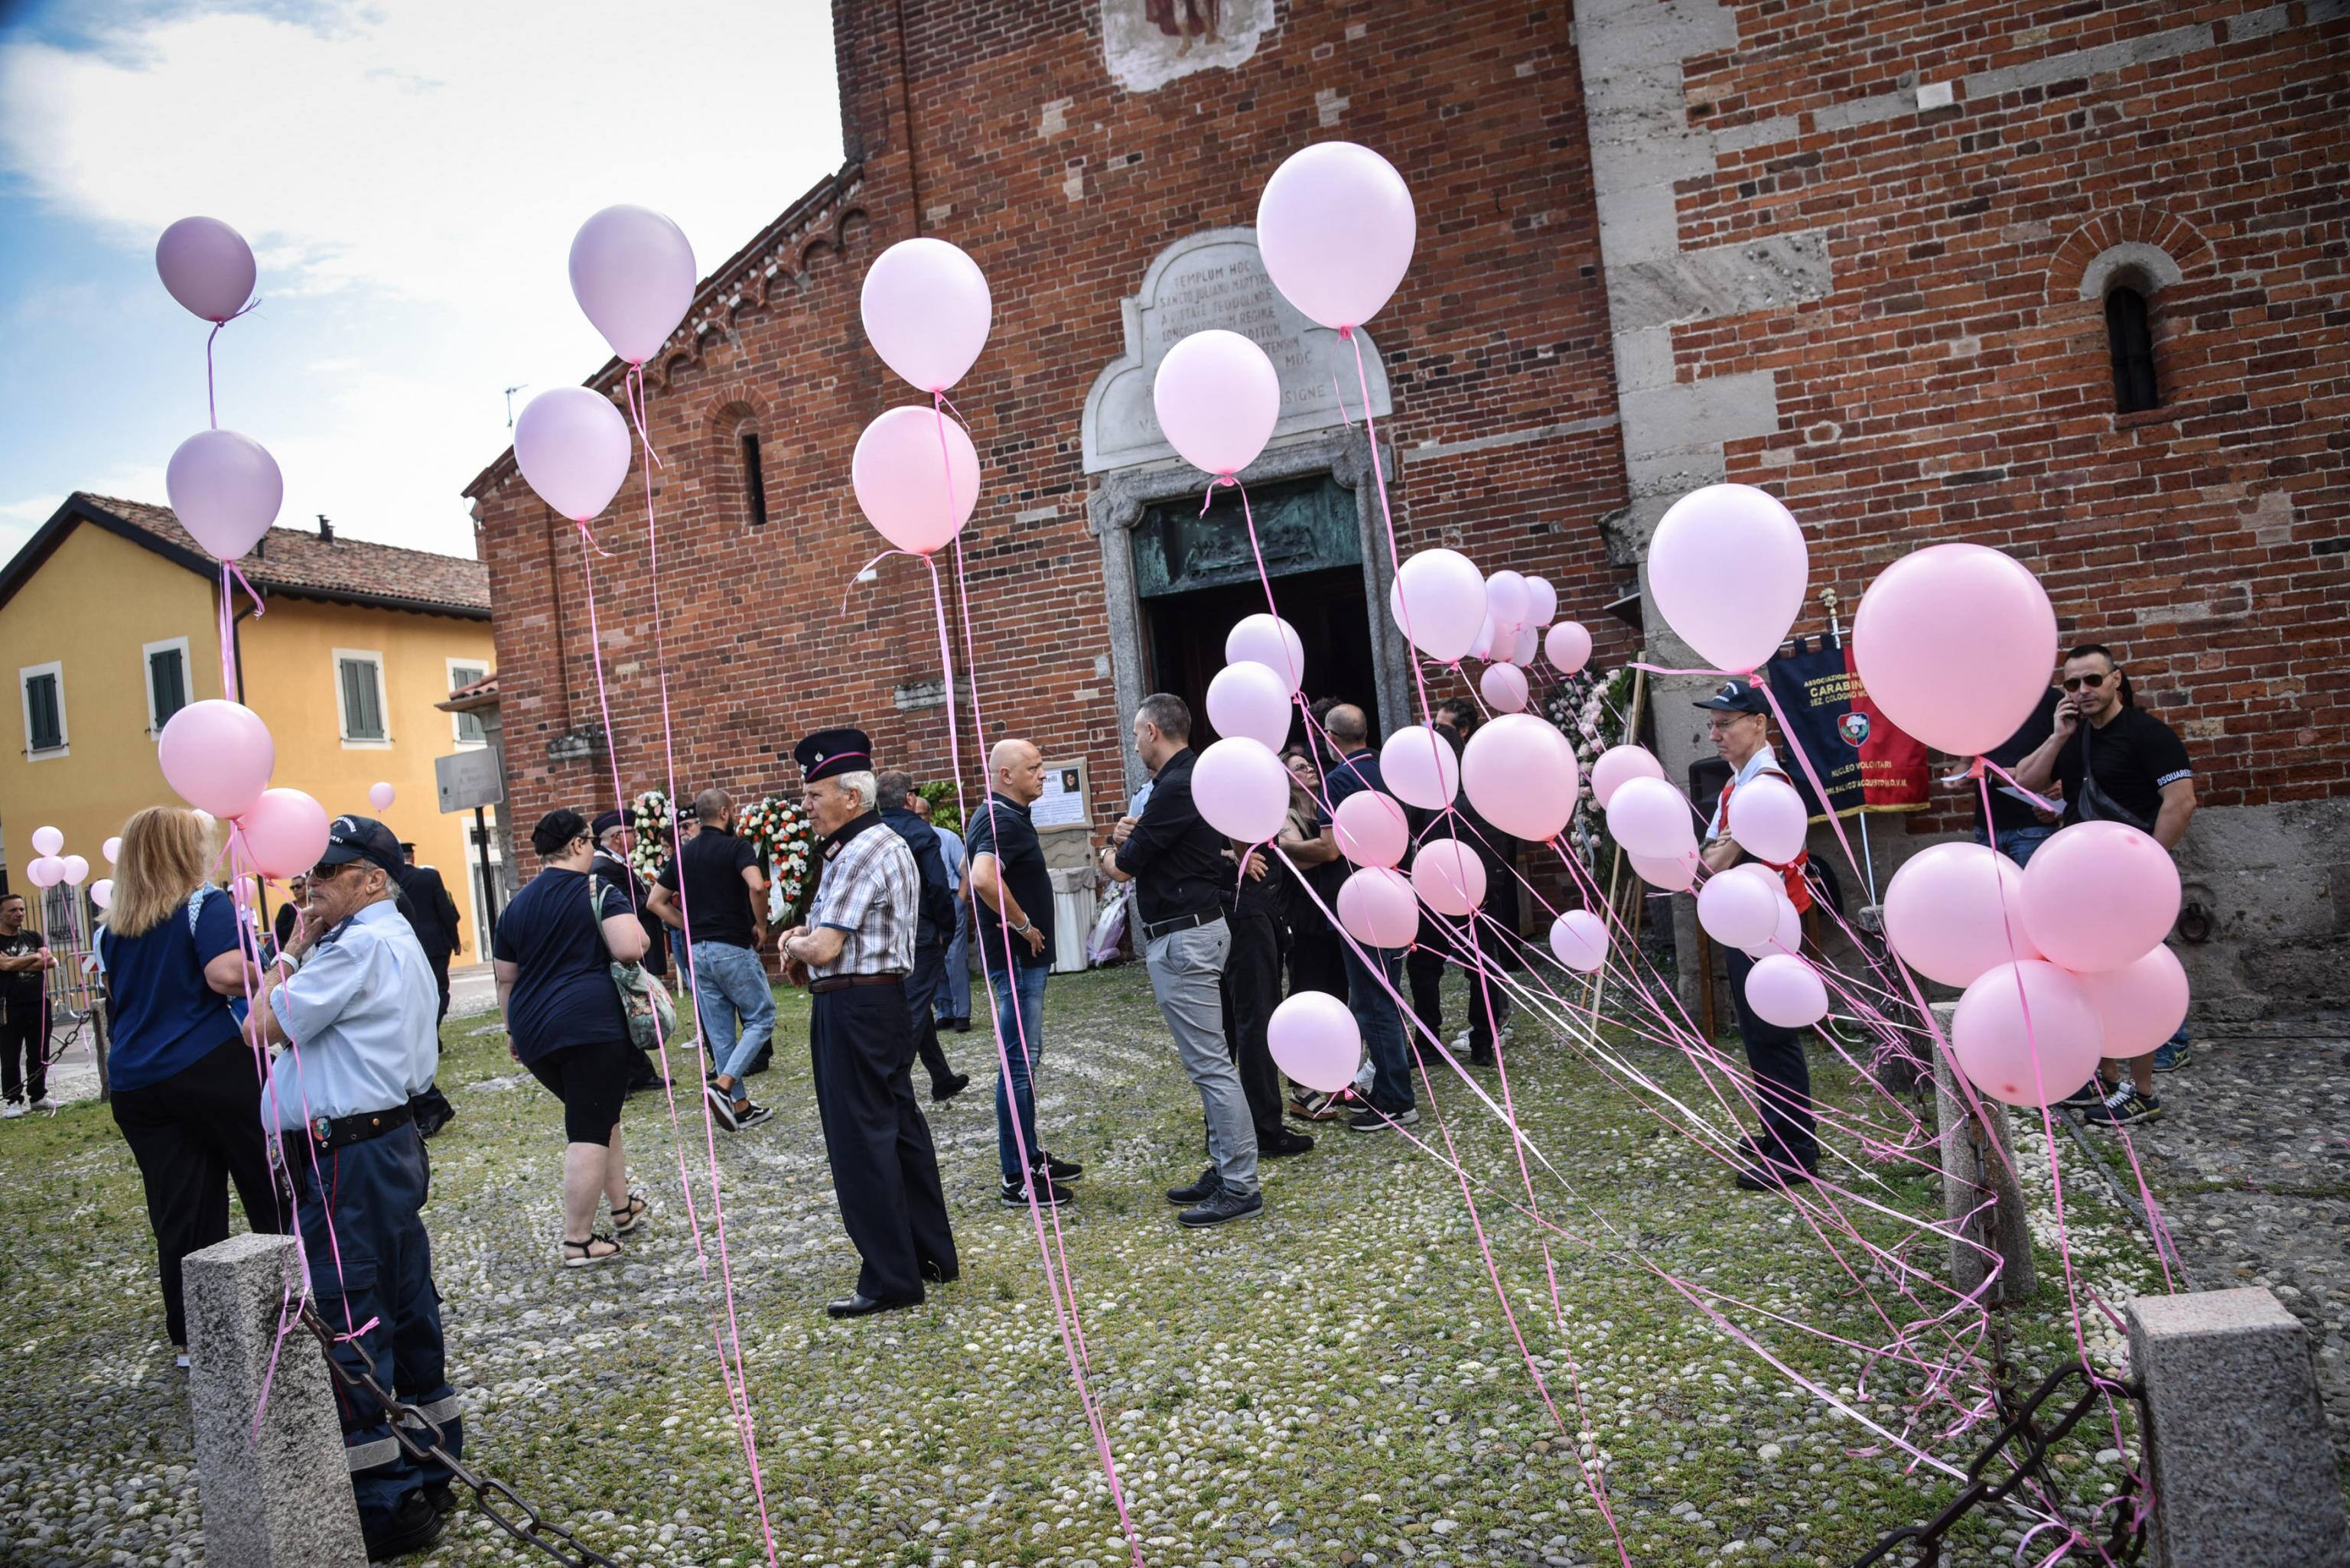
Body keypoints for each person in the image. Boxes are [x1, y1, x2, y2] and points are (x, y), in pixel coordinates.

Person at [252, 812, 459, 1560]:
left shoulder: (354, 944)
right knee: (405, 1300)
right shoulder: (387, 935)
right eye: (308, 874)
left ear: (371, 879)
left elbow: (261, 1025)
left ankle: (386, 1495)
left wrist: (290, 950)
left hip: (352, 1152)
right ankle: (433, 1457)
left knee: (353, 1311)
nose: (309, 886)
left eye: (327, 873)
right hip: (383, 1140)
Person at [777, 727, 958, 1318]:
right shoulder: (867, 845)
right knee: (899, 1127)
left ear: (851, 797)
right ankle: (929, 1256)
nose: (806, 807)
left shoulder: (859, 850)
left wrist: (793, 941)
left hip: (855, 1006)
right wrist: (805, 939)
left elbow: (826, 946)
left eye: (814, 795)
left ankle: (890, 1277)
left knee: (863, 1143)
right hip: (876, 1002)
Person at [94, 808, 285, 1361]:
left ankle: (194, 1337)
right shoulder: (206, 903)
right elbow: (224, 974)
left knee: (181, 1210)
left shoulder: (113, 927)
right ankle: (298, 1301)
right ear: (184, 852)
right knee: (269, 1182)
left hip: (138, 1081)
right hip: (209, 1063)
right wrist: (271, 962)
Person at [2013, 643, 2200, 1124]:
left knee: (2132, 977)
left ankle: (2143, 1093)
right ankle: (2110, 1081)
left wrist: (2149, 868)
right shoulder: (2076, 737)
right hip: (2079, 883)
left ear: (2117, 679)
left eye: (2092, 680)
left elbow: (2180, 802)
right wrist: (2058, 737)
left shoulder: (2148, 735)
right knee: (2091, 976)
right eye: (2072, 684)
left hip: (2129, 883)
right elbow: (2026, 781)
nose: (2082, 691)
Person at [1100, 694, 1263, 1227]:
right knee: (1211, 1061)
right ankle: (1223, 1168)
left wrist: (1108, 846)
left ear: (1151, 731)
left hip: (1185, 936)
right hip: (1197, 929)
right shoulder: (1197, 776)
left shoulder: (1174, 785)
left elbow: (1123, 868)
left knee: (1210, 1065)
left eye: (1134, 734)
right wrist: (1132, 835)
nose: (1135, 744)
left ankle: (1239, 1185)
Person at [493, 809, 653, 1267]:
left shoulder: (516, 904)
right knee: (587, 1128)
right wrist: (638, 931)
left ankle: (622, 1208)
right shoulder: (598, 888)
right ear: (581, 844)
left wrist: (512, 1030)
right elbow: (628, 947)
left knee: (600, 1115)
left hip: (534, 1029)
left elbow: (505, 979)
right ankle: (577, 1240)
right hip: (589, 1027)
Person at [1697, 680, 1820, 1192]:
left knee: (1771, 1035)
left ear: (1758, 724)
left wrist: (1720, 851)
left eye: (1725, 724)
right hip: (1744, 917)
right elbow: (1706, 857)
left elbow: (1713, 861)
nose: (1715, 734)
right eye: (1713, 725)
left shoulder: (1764, 783)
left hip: (1765, 923)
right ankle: (1777, 1128)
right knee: (1756, 1035)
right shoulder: (1737, 784)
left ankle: (1796, 1150)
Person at [967, 737, 1083, 1207]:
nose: (1043, 775)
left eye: (1042, 767)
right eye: (1034, 768)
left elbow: (969, 873)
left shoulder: (1006, 816)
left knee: (1024, 1063)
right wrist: (1023, 924)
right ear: (1006, 775)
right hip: (1016, 959)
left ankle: (1029, 1155)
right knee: (1018, 1066)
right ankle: (1016, 1177)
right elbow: (980, 876)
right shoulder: (1000, 818)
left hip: (1021, 958)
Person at [648, 789, 773, 1131]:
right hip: (731, 946)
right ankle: (723, 1086)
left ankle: (742, 1107)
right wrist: (761, 926)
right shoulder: (737, 847)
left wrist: (686, 925)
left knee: (720, 1034)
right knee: (762, 1017)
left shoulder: (684, 854)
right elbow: (757, 886)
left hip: (697, 952)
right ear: (724, 812)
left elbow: (655, 902)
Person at [1320, 702, 1418, 1132]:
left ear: (1330, 738)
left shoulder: (1339, 780)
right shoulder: (1391, 771)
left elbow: (1331, 847)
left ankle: (1397, 1100)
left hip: (1362, 901)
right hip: (1397, 895)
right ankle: (1386, 1089)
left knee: (1372, 1003)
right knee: (1385, 997)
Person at [1219, 789, 1322, 1160]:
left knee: (1234, 1024)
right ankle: (1263, 1129)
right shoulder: (1237, 789)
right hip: (1248, 914)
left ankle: (1226, 1128)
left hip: (1242, 911)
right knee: (1254, 1022)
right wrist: (1232, 852)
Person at [877, 769, 971, 1103]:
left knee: (916, 1003)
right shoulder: (921, 832)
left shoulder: (874, 832)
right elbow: (935, 885)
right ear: (909, 799)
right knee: (915, 1008)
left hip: (886, 930)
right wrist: (947, 927)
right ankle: (889, 1084)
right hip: (920, 930)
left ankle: (941, 1078)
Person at [594, 810, 671, 1096]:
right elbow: (619, 905)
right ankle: (625, 1077)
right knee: (624, 1009)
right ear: (616, 838)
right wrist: (651, 897)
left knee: (634, 1007)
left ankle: (640, 1072)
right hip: (622, 945)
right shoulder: (603, 867)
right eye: (630, 833)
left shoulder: (615, 862)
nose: (635, 837)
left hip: (634, 939)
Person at [394, 847, 464, 1138]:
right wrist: (454, 941)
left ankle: (429, 1035)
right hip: (433, 946)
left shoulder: (392, 880)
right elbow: (447, 912)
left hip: (407, 949)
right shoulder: (428, 877)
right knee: (437, 994)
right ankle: (430, 1033)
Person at [1278, 747, 1348, 1004]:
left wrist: (1320, 850)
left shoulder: (1325, 810)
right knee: (1308, 983)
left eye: (1309, 765)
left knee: (1339, 983)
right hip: (1303, 912)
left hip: (1333, 905)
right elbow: (1301, 862)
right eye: (1300, 768)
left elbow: (1313, 851)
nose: (1310, 769)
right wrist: (1330, 849)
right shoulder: (1284, 815)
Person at [918, 794, 974, 1034]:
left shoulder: (947, 838)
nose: (918, 818)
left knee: (954, 957)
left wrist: (960, 901)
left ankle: (962, 1013)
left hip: (951, 901)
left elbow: (966, 872)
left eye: (922, 814)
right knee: (933, 959)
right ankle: (944, 1010)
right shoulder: (907, 840)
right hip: (925, 907)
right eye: (914, 814)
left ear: (930, 815)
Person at [0, 892, 55, 1116]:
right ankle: (13, 1100)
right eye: (13, 910)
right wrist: (34, 958)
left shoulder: (33, 937)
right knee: (10, 1055)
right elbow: (3, 966)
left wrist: (14, 962)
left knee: (39, 1051)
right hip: (8, 1007)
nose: (19, 914)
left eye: (21, 909)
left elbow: (50, 961)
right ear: (1, 914)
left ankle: (39, 1095)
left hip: (38, 1002)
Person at [272, 875, 308, 955]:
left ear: (307, 885)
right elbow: (280, 934)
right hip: (295, 954)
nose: (295, 890)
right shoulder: (287, 908)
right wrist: (298, 918)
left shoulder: (317, 905)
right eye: (292, 887)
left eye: (298, 886)